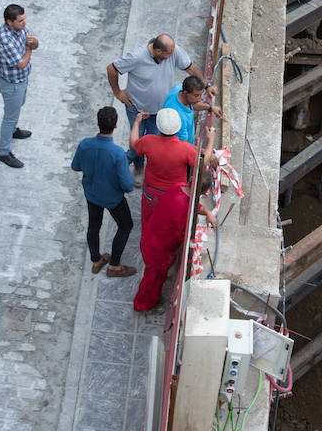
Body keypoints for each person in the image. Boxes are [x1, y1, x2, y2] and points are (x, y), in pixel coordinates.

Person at [106, 34, 215, 182]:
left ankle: (140, 163)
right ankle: (133, 165)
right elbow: (112, 68)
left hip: (158, 112)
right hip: (137, 108)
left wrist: (206, 85)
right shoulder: (137, 57)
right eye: (169, 55)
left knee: (150, 142)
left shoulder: (173, 52)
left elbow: (190, 68)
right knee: (138, 144)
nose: (172, 57)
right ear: (158, 51)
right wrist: (117, 92)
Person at [133, 169, 216, 312]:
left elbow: (193, 204)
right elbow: (183, 236)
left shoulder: (178, 187)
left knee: (154, 276)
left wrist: (207, 212)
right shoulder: (183, 209)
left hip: (150, 236)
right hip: (157, 250)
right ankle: (142, 305)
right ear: (204, 192)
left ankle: (149, 299)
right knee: (152, 279)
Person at [71, 107, 137, 278]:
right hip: (113, 198)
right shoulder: (117, 153)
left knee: (94, 226)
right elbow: (128, 185)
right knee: (125, 226)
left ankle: (96, 260)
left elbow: (75, 166)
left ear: (97, 123)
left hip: (92, 194)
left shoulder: (85, 144)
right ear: (115, 126)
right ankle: (114, 266)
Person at [130, 108, 216, 228]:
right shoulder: (185, 149)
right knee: (169, 225)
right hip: (174, 195)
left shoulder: (148, 141)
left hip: (151, 193)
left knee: (149, 222)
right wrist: (211, 139)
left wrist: (137, 122)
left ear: (158, 126)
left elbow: (133, 143)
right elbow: (204, 161)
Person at [0, 3, 39, 169]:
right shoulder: (4, 40)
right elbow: (21, 63)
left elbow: (35, 43)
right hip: (12, 84)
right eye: (20, 21)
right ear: (9, 22)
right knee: (10, 116)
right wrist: (29, 49)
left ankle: (13, 130)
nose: (24, 24)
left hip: (21, 80)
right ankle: (4, 152)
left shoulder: (20, 29)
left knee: (18, 106)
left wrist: (33, 43)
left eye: (24, 20)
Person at [163, 74, 222, 144]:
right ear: (185, 93)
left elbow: (192, 104)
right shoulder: (178, 117)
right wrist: (207, 150)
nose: (199, 99)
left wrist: (210, 107)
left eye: (200, 95)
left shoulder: (179, 89)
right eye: (196, 95)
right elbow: (184, 146)